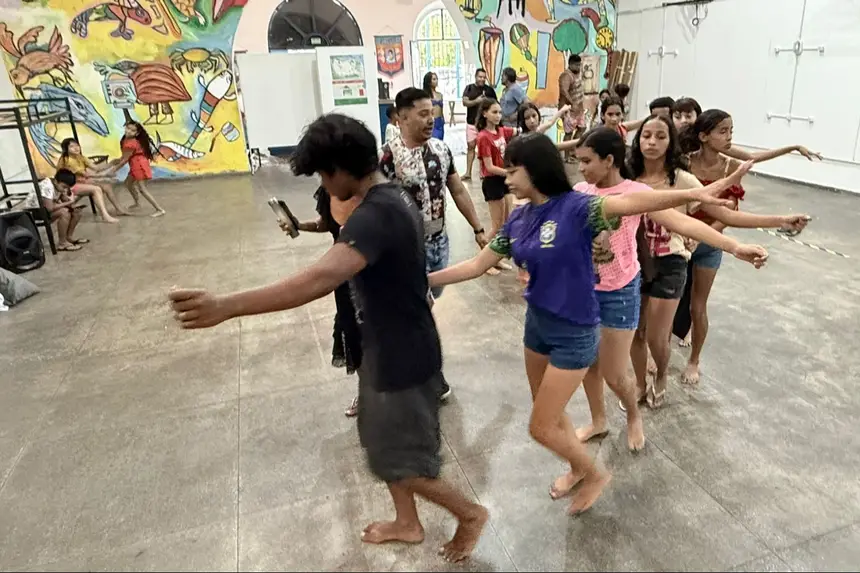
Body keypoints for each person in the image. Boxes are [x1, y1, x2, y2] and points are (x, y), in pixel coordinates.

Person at [169, 113, 489, 563]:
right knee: (379, 442)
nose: (322, 182)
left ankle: (470, 513)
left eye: (322, 173)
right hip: (385, 345)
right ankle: (407, 522)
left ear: (339, 168)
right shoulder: (389, 194)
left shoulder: (376, 214)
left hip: (403, 356)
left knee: (399, 459)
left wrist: (226, 306)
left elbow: (319, 278)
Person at [426, 132, 749, 515]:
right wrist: (422, 280)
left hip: (574, 331)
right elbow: (477, 265)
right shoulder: (519, 218)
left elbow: (636, 201)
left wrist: (698, 194)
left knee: (541, 427)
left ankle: (594, 473)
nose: (506, 177)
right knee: (548, 412)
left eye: (513, 170)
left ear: (536, 169)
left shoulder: (579, 207)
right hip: (537, 325)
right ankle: (579, 467)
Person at [570, 127, 764, 451]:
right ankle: (598, 420)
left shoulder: (634, 192)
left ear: (609, 160)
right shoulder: (580, 191)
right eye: (578, 160)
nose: (580, 168)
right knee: (588, 363)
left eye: (586, 161)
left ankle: (634, 417)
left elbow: (684, 222)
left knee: (615, 373)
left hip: (619, 292)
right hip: (585, 290)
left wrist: (733, 246)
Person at [624, 114, 806, 409]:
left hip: (671, 262)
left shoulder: (682, 179)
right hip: (634, 262)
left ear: (671, 142)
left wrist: (780, 220)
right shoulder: (628, 177)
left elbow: (725, 215)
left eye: (660, 136)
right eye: (646, 135)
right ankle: (640, 383)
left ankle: (661, 376)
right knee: (637, 331)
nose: (652, 142)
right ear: (638, 140)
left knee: (658, 337)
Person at [676, 109, 812, 387]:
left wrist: (703, 237)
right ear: (703, 136)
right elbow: (677, 204)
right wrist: (685, 233)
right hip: (680, 238)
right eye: (723, 131)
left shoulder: (731, 168)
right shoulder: (685, 163)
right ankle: (657, 352)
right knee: (667, 303)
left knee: (697, 306)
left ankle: (694, 360)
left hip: (710, 242)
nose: (729, 137)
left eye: (731, 131)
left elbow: (729, 214)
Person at [380, 88, 489, 401]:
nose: (430, 119)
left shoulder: (441, 150)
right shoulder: (387, 156)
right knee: (420, 311)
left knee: (424, 305)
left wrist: (478, 228)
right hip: (405, 249)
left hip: (439, 242)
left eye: (432, 113)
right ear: (401, 118)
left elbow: (457, 190)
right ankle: (427, 373)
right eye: (423, 114)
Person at [293, 187, 364, 417]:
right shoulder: (329, 189)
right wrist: (299, 225)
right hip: (344, 280)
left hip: (377, 277)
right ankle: (368, 392)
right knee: (353, 335)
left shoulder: (375, 191)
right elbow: (324, 224)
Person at [475, 98, 515, 275]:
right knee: (496, 225)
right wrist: (510, 172)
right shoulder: (483, 137)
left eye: (499, 112)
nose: (498, 115)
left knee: (505, 223)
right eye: (494, 112)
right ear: (485, 114)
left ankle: (495, 259)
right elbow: (489, 167)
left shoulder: (501, 131)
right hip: (492, 181)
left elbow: (525, 130)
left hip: (503, 180)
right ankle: (483, 261)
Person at [57, 138, 129, 222]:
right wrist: (105, 175)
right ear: (66, 149)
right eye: (72, 146)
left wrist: (111, 163)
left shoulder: (80, 157)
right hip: (68, 186)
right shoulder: (68, 160)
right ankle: (105, 215)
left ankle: (119, 209)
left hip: (81, 181)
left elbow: (96, 168)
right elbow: (86, 175)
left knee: (107, 186)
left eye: (77, 145)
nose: (76, 148)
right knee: (96, 189)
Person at [107, 121, 165, 217]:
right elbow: (124, 158)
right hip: (136, 164)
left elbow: (124, 160)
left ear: (137, 133)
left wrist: (114, 169)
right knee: (128, 183)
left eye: (132, 130)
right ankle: (137, 203)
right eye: (128, 128)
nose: (129, 131)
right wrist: (113, 164)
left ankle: (159, 209)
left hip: (139, 165)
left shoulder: (131, 143)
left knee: (142, 189)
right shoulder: (126, 140)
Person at [26, 168, 85, 251]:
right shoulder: (47, 186)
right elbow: (50, 208)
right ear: (56, 181)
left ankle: (68, 237)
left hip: (47, 208)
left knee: (77, 211)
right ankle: (62, 243)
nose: (65, 189)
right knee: (64, 212)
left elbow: (63, 199)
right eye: (64, 187)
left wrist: (70, 201)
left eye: (67, 188)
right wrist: (69, 203)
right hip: (36, 211)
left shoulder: (58, 184)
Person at [461, 68, 498, 181]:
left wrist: (487, 102)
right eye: (480, 77)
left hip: (484, 125)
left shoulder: (489, 90)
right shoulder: (469, 88)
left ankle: (484, 172)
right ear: (475, 77)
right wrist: (476, 101)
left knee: (485, 149)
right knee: (470, 147)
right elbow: (465, 102)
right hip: (471, 124)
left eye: (483, 77)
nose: (482, 79)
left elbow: (496, 104)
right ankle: (468, 173)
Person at [558, 54, 585, 160]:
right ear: (570, 64)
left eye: (579, 65)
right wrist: (572, 103)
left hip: (579, 110)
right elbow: (564, 91)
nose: (578, 67)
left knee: (582, 128)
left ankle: (573, 151)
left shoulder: (578, 74)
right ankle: (567, 156)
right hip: (569, 110)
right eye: (576, 65)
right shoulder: (566, 75)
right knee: (568, 133)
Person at [423, 72, 445, 141]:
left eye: (437, 79)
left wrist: (443, 119)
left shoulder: (440, 95)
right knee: (433, 141)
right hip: (431, 121)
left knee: (440, 141)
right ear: (429, 81)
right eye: (434, 79)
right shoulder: (425, 95)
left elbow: (441, 109)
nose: (436, 81)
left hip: (440, 122)